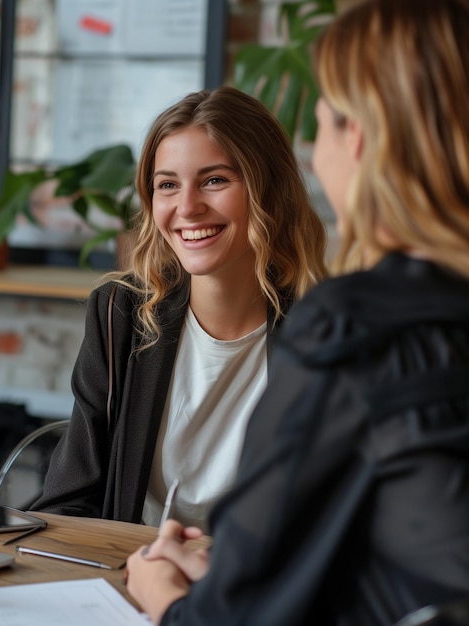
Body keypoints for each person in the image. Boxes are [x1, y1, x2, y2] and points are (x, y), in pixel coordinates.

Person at [125, 0, 469, 623]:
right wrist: (237, 575)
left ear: (358, 137)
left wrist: (166, 599)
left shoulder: (355, 327)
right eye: (166, 184)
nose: (315, 147)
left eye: (324, 123)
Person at [32, 86, 327, 530]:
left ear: (271, 189)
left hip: (255, 588)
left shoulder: (326, 328)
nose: (187, 208)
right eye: (167, 185)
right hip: (128, 572)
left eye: (215, 180)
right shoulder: (121, 312)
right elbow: (67, 500)